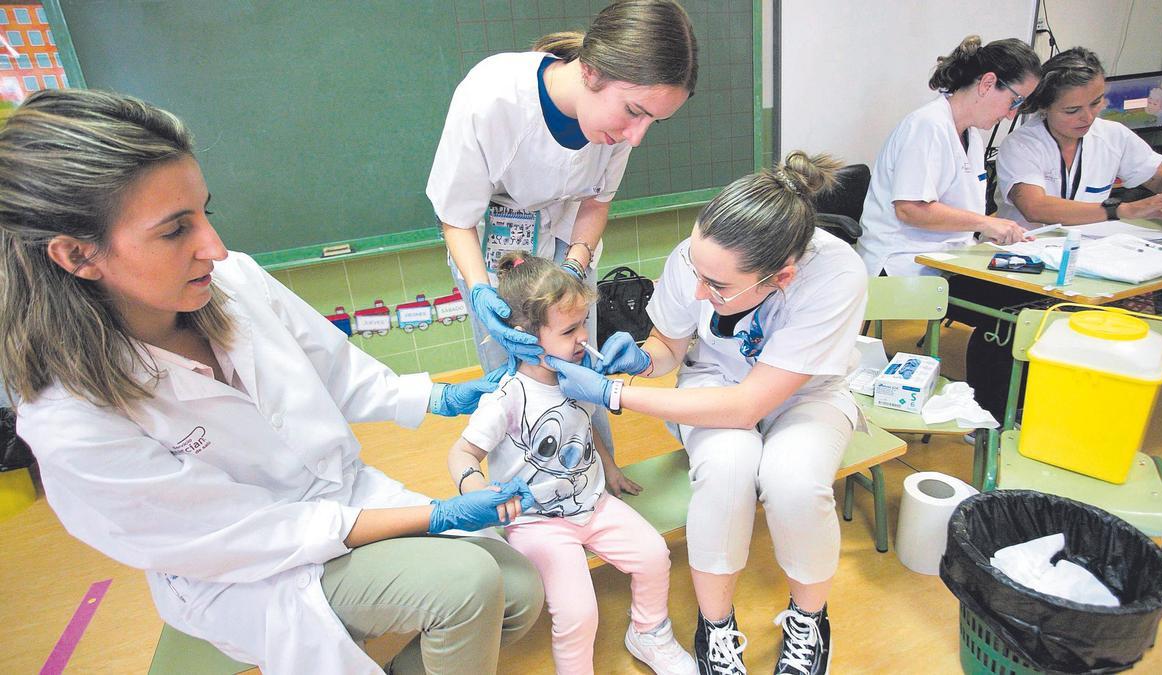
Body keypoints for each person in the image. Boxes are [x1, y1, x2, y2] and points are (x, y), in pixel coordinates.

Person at [0, 89, 545, 675]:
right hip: (248, 567)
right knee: (462, 584)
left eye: (207, 212)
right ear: (78, 254)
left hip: (341, 497)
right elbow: (243, 534)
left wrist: (443, 396)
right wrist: (435, 516)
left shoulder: (235, 283)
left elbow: (337, 370)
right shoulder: (70, 419)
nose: (215, 247)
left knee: (518, 588)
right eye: (175, 230)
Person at [547, 152, 868, 675]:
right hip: (714, 378)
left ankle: (809, 617)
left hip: (808, 391)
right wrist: (646, 358)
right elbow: (672, 346)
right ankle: (716, 625)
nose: (698, 290)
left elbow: (749, 405)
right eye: (696, 273)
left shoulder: (834, 274)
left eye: (716, 287)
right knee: (726, 469)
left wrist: (616, 393)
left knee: (795, 480)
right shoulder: (696, 258)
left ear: (781, 277)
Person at [426, 0, 698, 478]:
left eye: (653, 121)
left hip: (565, 238)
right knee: (518, 373)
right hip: (490, 253)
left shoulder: (616, 128)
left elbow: (597, 202)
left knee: (578, 361)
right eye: (634, 113)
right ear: (591, 71)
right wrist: (480, 290)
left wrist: (575, 264)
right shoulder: (493, 98)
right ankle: (526, 497)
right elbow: (456, 220)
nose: (637, 137)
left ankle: (599, 477)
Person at [447, 252, 694, 674]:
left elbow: (583, 423)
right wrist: (474, 487)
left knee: (654, 554)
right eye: (569, 329)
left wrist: (610, 467)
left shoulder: (573, 372)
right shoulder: (508, 396)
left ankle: (648, 632)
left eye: (584, 323)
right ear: (524, 335)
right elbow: (462, 452)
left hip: (592, 504)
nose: (584, 337)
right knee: (579, 614)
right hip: (536, 521)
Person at [855, 35, 1042, 420]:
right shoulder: (926, 127)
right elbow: (910, 208)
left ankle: (1013, 407)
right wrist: (984, 223)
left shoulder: (969, 134)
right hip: (904, 264)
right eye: (1015, 101)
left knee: (1032, 296)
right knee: (1009, 310)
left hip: (948, 257)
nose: (1011, 114)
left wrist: (989, 231)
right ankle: (988, 415)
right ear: (988, 83)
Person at [996, 47, 1162, 229]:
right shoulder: (1021, 145)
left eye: (1096, 103)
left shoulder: (1114, 135)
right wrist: (1120, 210)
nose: (1088, 117)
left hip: (1090, 251)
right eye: (1072, 110)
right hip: (1024, 255)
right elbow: (1035, 208)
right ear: (1044, 107)